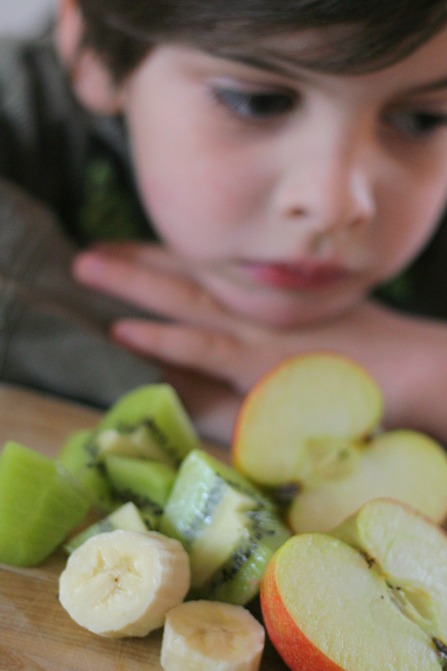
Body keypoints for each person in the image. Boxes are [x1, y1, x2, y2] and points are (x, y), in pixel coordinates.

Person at [0, 0, 447, 445]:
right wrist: (170, 386)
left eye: (421, 120)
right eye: (258, 102)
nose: (333, 206)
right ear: (91, 50)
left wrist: (429, 374)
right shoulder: (26, 111)